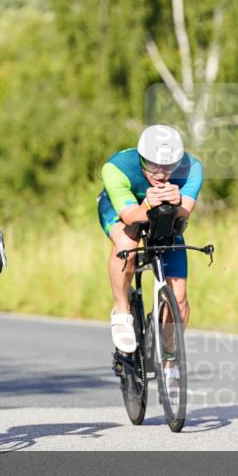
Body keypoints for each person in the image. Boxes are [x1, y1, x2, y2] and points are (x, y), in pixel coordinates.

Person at [97, 124, 204, 357]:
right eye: (152, 166)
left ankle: (169, 359)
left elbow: (182, 218)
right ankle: (122, 311)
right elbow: (128, 216)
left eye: (168, 167)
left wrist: (176, 205)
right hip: (122, 209)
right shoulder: (116, 167)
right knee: (127, 244)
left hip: (165, 215)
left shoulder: (192, 167)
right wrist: (147, 205)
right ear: (140, 157)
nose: (161, 174)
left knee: (180, 299)